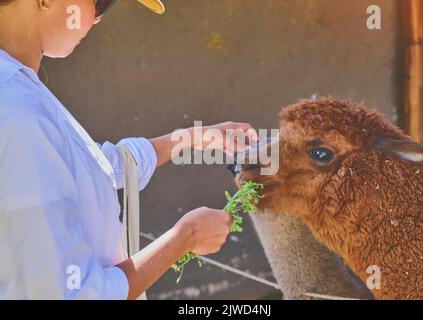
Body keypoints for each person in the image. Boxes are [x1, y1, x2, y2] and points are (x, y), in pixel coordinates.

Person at [0, 0, 257, 299]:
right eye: (101, 3)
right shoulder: (17, 111)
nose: (97, 19)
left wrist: (192, 138)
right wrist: (183, 238)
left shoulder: (21, 92)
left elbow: (95, 167)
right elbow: (73, 294)